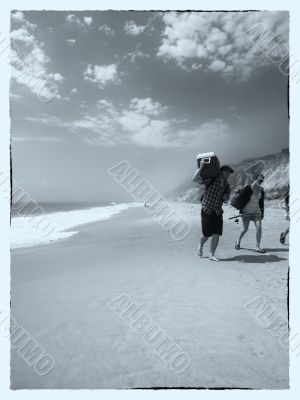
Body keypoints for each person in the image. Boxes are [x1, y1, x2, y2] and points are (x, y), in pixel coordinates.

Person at [193, 161, 233, 261]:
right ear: (221, 172)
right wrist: (201, 167)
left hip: (218, 211)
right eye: (226, 172)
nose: (228, 174)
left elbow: (226, 199)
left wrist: (226, 197)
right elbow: (195, 179)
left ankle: (211, 254)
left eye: (229, 173)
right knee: (206, 235)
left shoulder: (227, 186)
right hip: (206, 210)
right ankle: (200, 244)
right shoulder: (211, 180)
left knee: (217, 233)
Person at [235, 173, 265, 253]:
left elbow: (261, 203)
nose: (261, 182)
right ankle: (238, 241)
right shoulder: (248, 188)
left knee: (259, 227)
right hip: (246, 212)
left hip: (256, 212)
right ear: (255, 179)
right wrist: (241, 212)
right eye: (260, 180)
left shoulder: (261, 190)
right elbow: (241, 200)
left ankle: (257, 247)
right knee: (245, 229)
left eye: (262, 180)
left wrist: (262, 213)